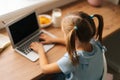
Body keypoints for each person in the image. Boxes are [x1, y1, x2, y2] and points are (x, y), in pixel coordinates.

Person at [30, 11, 105, 80]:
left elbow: (45, 69)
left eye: (64, 33)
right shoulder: (95, 42)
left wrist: (40, 50)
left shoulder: (73, 59)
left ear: (73, 37)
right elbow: (74, 42)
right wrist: (54, 40)